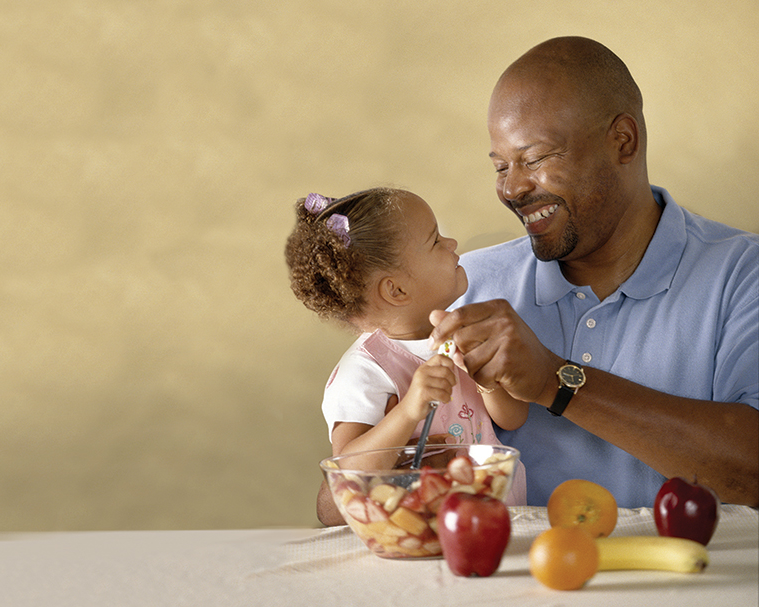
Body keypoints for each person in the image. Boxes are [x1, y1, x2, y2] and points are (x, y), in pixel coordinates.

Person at [313, 37, 758, 526]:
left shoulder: (741, 276)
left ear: (623, 141)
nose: (512, 187)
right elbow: (333, 502)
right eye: (501, 166)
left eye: (537, 157)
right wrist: (411, 466)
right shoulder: (460, 289)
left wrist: (554, 380)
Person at [285, 188, 529, 518]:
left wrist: (486, 379)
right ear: (396, 290)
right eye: (435, 241)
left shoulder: (463, 331)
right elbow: (345, 480)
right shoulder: (365, 371)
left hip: (492, 526)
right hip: (412, 538)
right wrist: (409, 410)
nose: (453, 244)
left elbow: (513, 419)